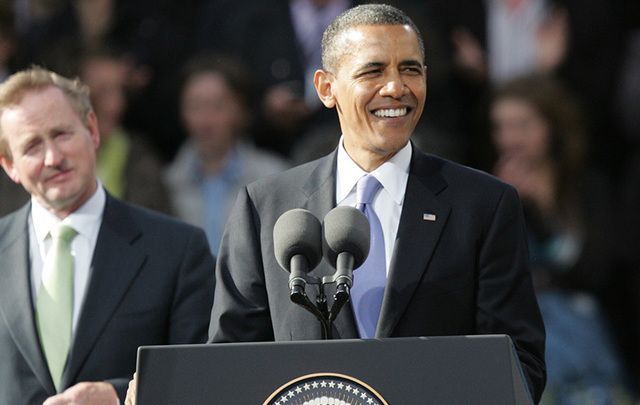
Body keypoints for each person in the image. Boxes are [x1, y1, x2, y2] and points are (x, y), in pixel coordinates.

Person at [127, 4, 546, 404]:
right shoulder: (265, 206)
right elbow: (231, 363)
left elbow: (518, 365)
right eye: (374, 70)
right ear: (327, 88)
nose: (396, 87)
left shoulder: (484, 205)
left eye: (410, 70)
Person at [0, 67, 214, 404]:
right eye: (31, 147)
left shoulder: (178, 251)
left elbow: (203, 377)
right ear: (9, 165)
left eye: (62, 134)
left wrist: (118, 396)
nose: (53, 158)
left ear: (92, 130)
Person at [489, 75, 631, 404]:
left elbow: (598, 272)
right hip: (526, 347)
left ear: (550, 125)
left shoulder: (586, 186)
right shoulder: (490, 194)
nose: (510, 139)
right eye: (501, 127)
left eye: (522, 125)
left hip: (591, 340)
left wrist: (539, 212)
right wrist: (511, 206)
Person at [165, 54, 289, 254]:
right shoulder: (168, 183)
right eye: (194, 106)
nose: (205, 120)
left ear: (242, 110)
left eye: (217, 106)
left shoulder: (274, 177)